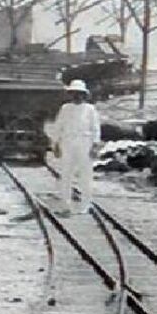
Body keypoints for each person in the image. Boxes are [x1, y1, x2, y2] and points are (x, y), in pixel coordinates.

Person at [50, 79, 101, 214]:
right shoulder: (65, 108)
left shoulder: (90, 109)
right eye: (74, 93)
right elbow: (58, 126)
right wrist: (55, 144)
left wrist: (95, 145)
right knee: (66, 174)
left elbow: (95, 128)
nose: (76, 96)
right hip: (67, 143)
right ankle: (65, 204)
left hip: (85, 143)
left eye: (79, 93)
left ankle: (85, 205)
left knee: (85, 175)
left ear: (84, 95)